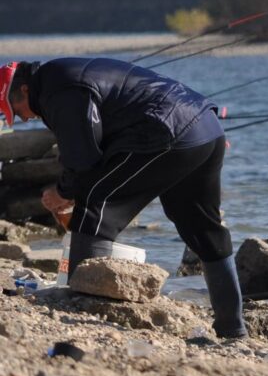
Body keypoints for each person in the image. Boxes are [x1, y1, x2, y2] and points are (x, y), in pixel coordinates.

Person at [0, 59, 246, 339]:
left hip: (168, 130)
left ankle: (81, 307)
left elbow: (83, 157)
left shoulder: (59, 90)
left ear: (23, 89)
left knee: (96, 201)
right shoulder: (60, 77)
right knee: (202, 227)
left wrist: (63, 192)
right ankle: (232, 331)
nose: (20, 117)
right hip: (206, 127)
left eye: (15, 110)